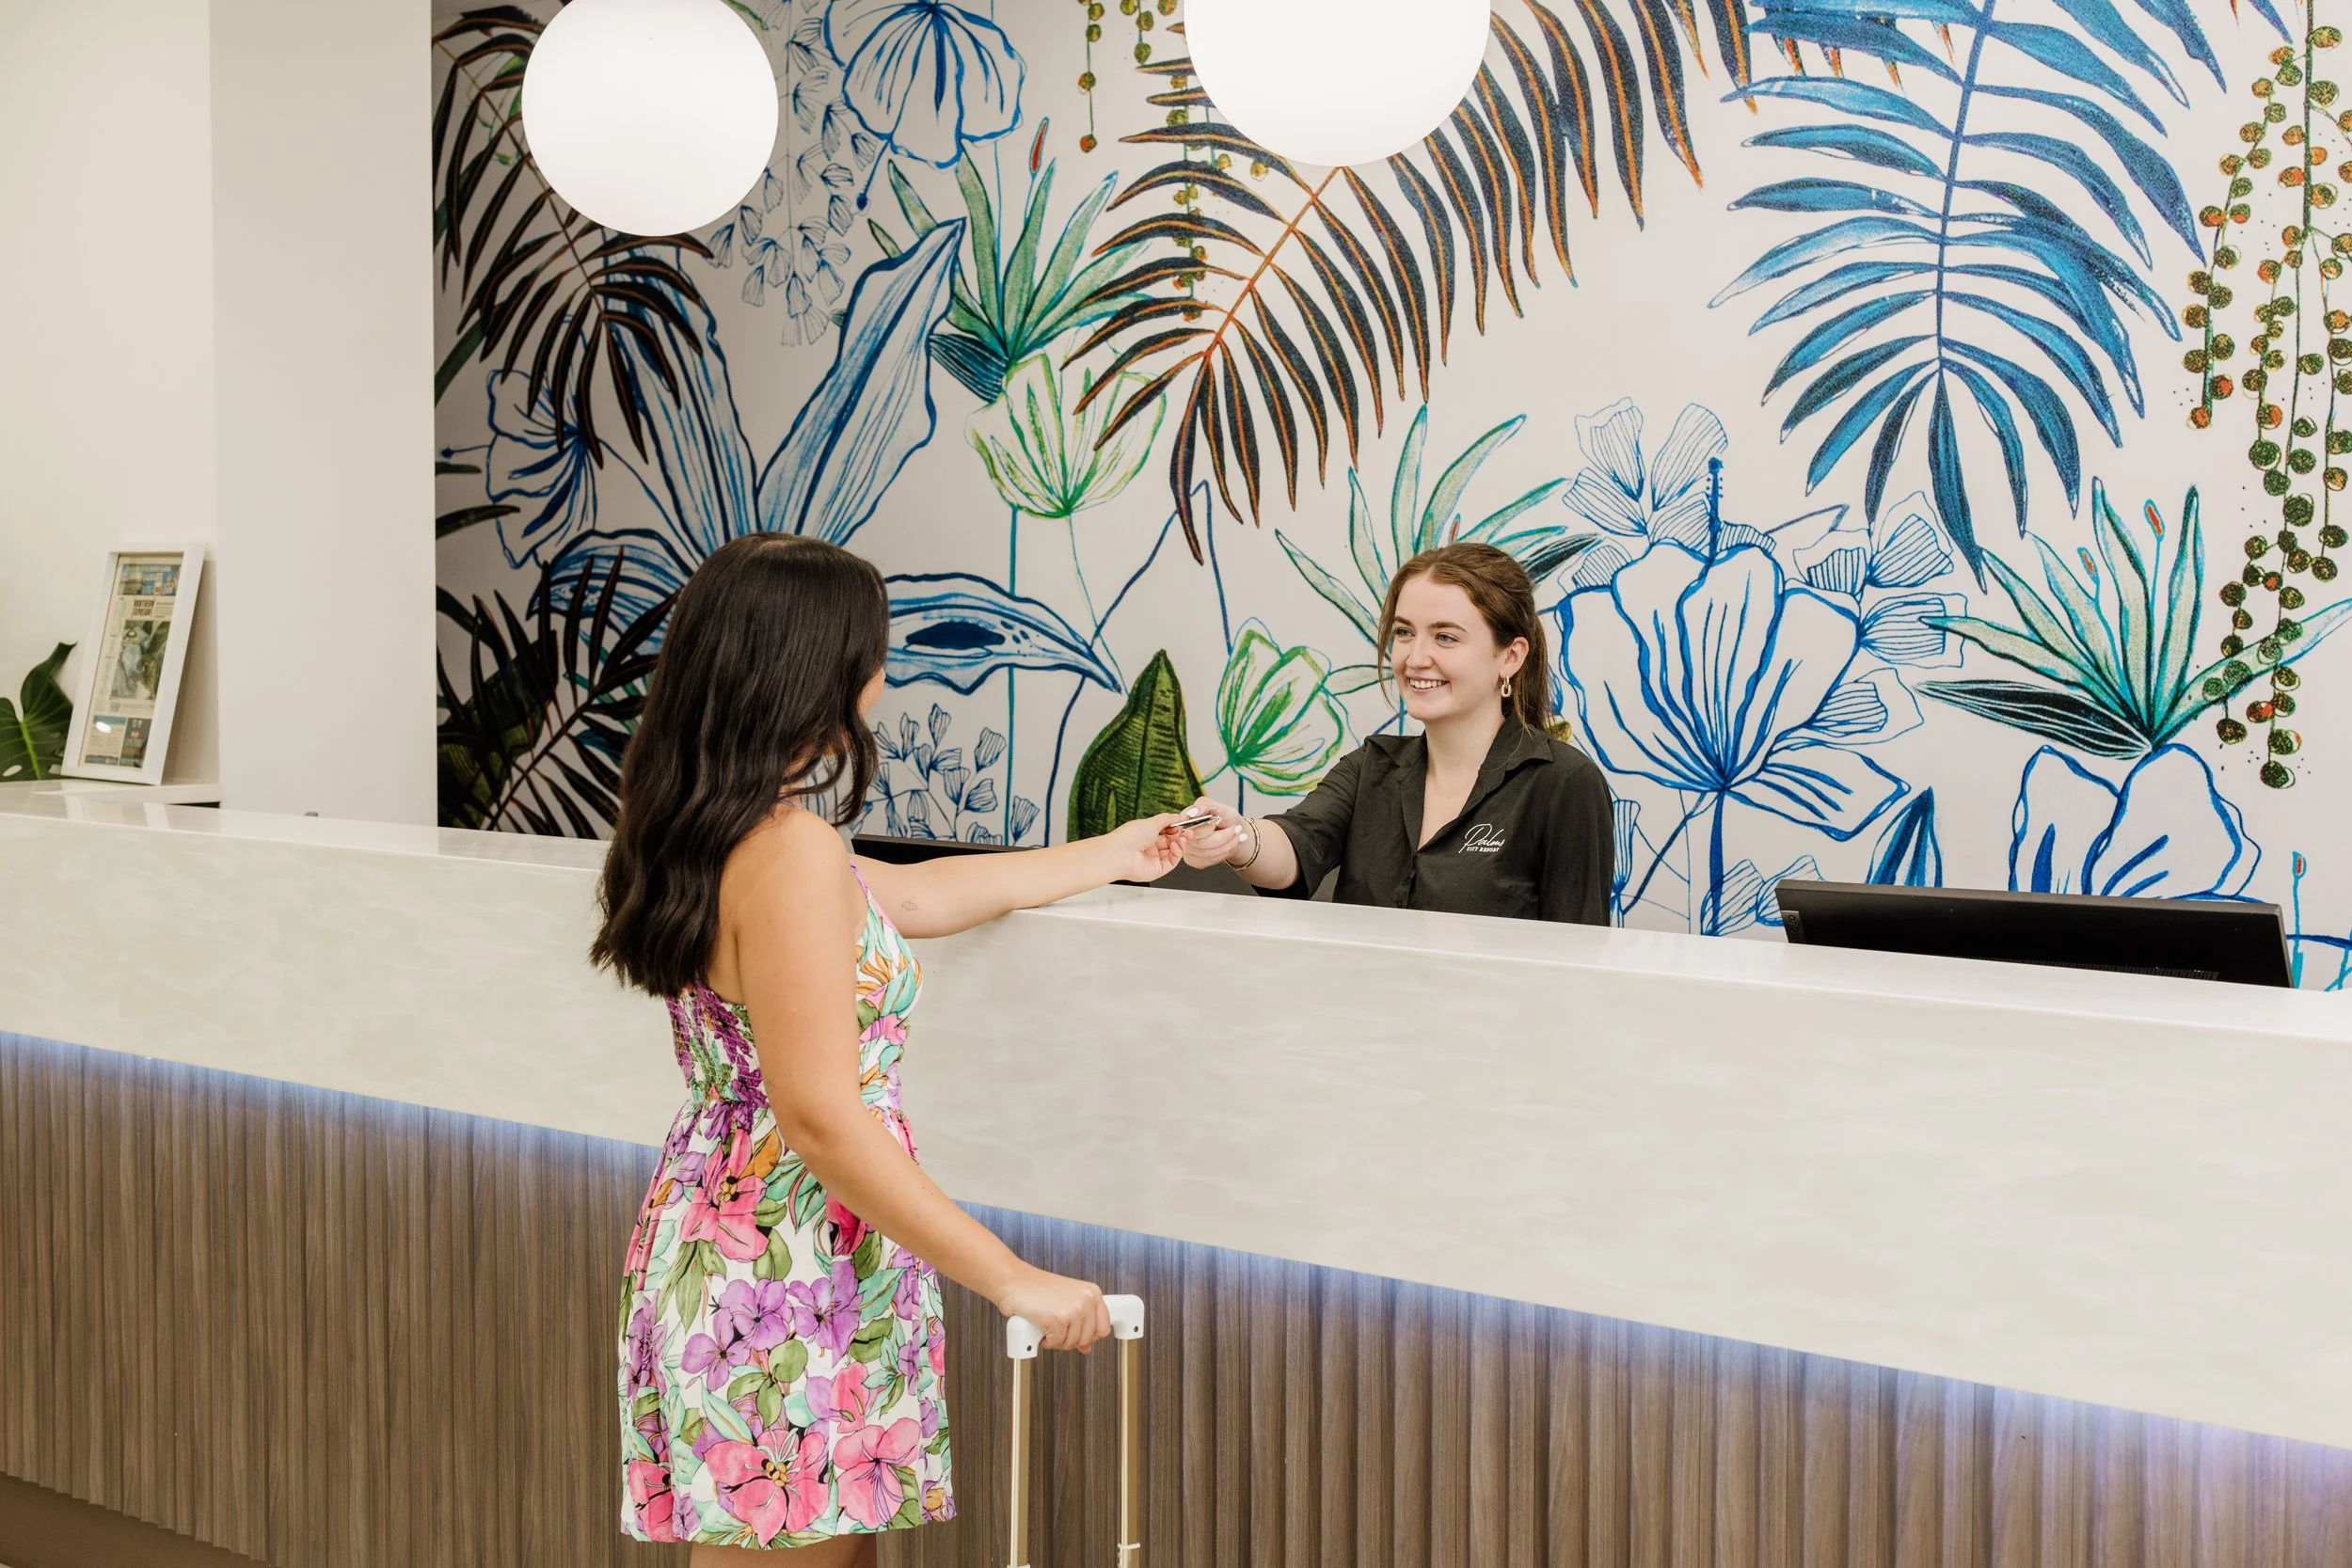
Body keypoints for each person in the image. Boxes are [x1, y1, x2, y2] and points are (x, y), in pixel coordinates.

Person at [591, 534, 1189, 1563]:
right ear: (817, 669)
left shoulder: (722, 827)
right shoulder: (788, 852)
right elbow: (820, 1115)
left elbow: (912, 897)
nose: (885, 673)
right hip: (781, 1264)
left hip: (763, 1240)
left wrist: (1118, 850)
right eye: (873, 650)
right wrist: (1009, 1275)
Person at [1180, 542, 1613, 924]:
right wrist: (1235, 837)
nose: (1415, 657)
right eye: (1405, 632)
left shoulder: (1563, 784)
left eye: (1445, 637)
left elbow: (1576, 961)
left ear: (1510, 657)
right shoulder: (1372, 766)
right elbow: (1296, 847)